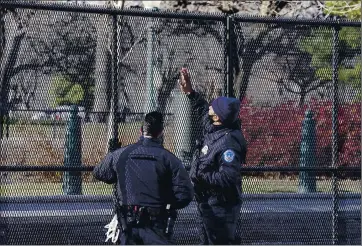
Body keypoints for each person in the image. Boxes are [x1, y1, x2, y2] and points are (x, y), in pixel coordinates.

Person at [93, 111, 194, 245]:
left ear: (141, 130)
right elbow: (185, 194)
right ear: (160, 133)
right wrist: (167, 204)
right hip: (156, 223)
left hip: (127, 225)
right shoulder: (169, 159)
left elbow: (99, 172)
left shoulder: (120, 154)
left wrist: (117, 172)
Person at [179, 68, 247, 245]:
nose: (210, 105)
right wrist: (190, 92)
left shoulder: (228, 143)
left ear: (218, 116)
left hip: (221, 207)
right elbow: (203, 110)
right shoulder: (215, 128)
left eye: (213, 106)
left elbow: (228, 176)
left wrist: (202, 175)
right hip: (208, 202)